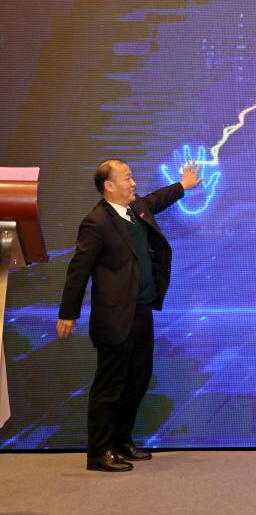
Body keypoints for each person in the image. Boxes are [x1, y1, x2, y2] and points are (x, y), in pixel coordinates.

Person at [57, 158, 202, 472]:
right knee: (110, 386)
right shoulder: (96, 222)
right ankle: (99, 452)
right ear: (109, 186)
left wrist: (183, 185)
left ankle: (121, 442)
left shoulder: (136, 209)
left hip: (141, 310)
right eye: (127, 177)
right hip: (114, 317)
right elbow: (78, 270)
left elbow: (156, 199)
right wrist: (68, 313)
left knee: (137, 379)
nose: (133, 182)